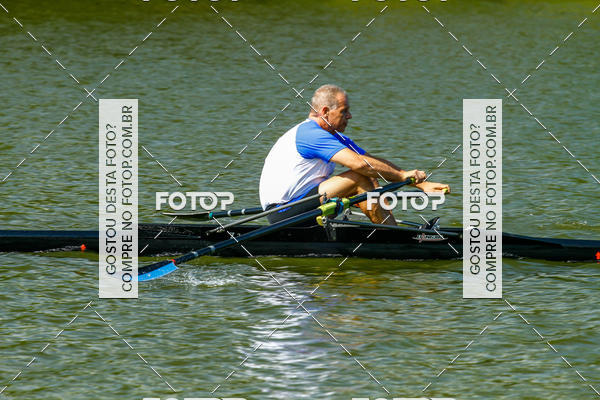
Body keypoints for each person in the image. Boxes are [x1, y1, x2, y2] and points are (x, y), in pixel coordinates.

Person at [259, 84, 450, 226]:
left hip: (304, 205)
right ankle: (394, 238)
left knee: (369, 176)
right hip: (283, 212)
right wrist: (401, 176)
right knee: (360, 177)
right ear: (325, 111)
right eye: (344, 111)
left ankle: (389, 230)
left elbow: (370, 162)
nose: (349, 116)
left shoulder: (334, 136)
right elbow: (360, 165)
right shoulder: (310, 134)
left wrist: (421, 184)